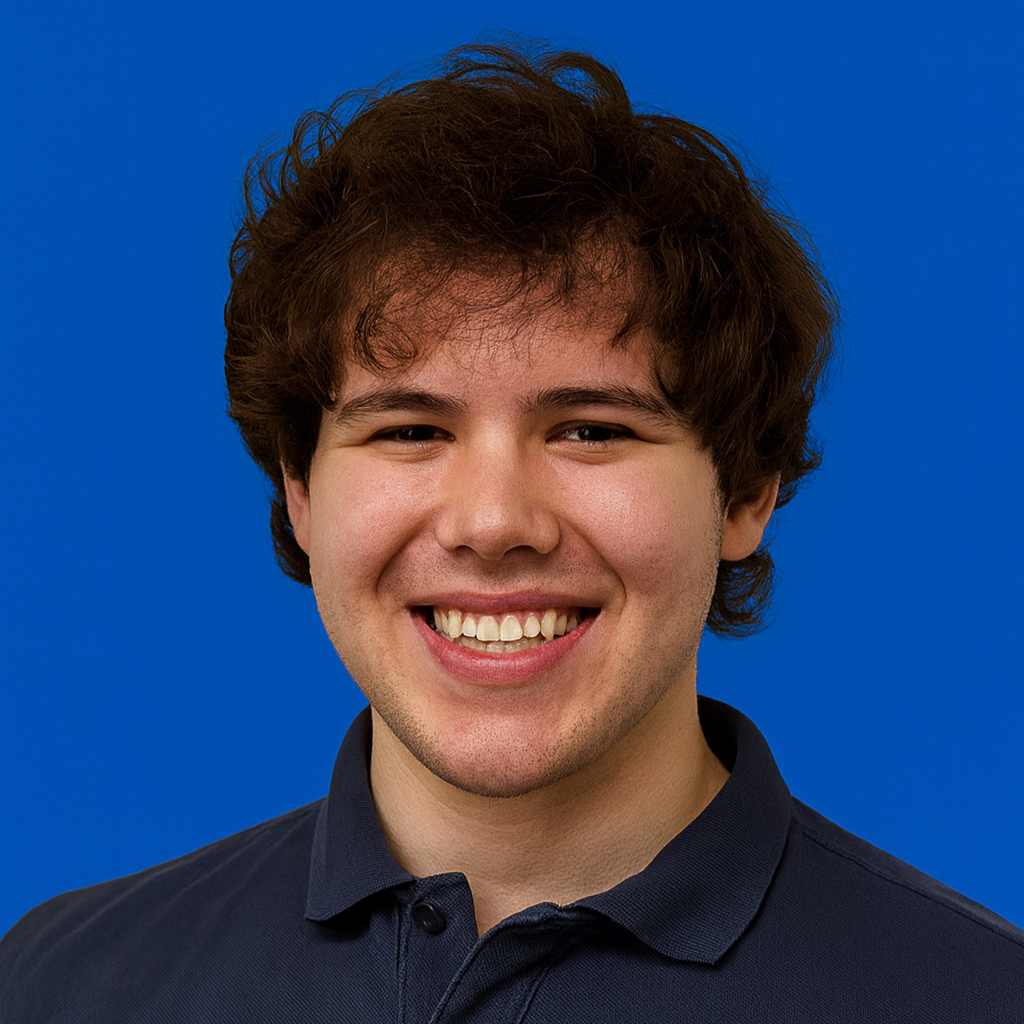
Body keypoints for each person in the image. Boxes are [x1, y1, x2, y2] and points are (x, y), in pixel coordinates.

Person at [2, 40, 1021, 1023]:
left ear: (746, 492)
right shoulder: (58, 983)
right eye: (410, 430)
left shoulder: (978, 997)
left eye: (591, 429)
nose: (493, 524)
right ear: (300, 492)